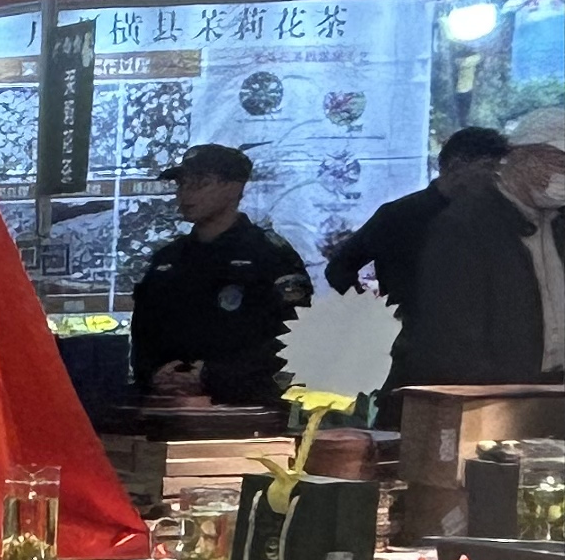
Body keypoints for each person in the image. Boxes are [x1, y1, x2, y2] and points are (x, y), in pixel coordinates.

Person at [130, 144, 312, 406]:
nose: (186, 193)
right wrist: (154, 374)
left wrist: (213, 376)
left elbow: (292, 337)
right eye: (182, 184)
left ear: (234, 187)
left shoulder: (269, 256)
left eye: (201, 183)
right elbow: (144, 333)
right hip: (169, 407)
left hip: (246, 408)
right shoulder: (168, 259)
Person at [404, 115, 565, 388]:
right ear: (519, 157)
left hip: (553, 390)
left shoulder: (559, 225)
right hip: (493, 395)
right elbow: (451, 333)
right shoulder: (465, 225)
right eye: (558, 163)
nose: (562, 175)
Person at [329, 126, 507, 332]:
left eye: (499, 168)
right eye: (488, 167)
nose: (496, 177)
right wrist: (371, 311)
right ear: (457, 166)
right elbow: (339, 268)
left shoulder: (494, 217)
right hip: (410, 341)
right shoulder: (398, 215)